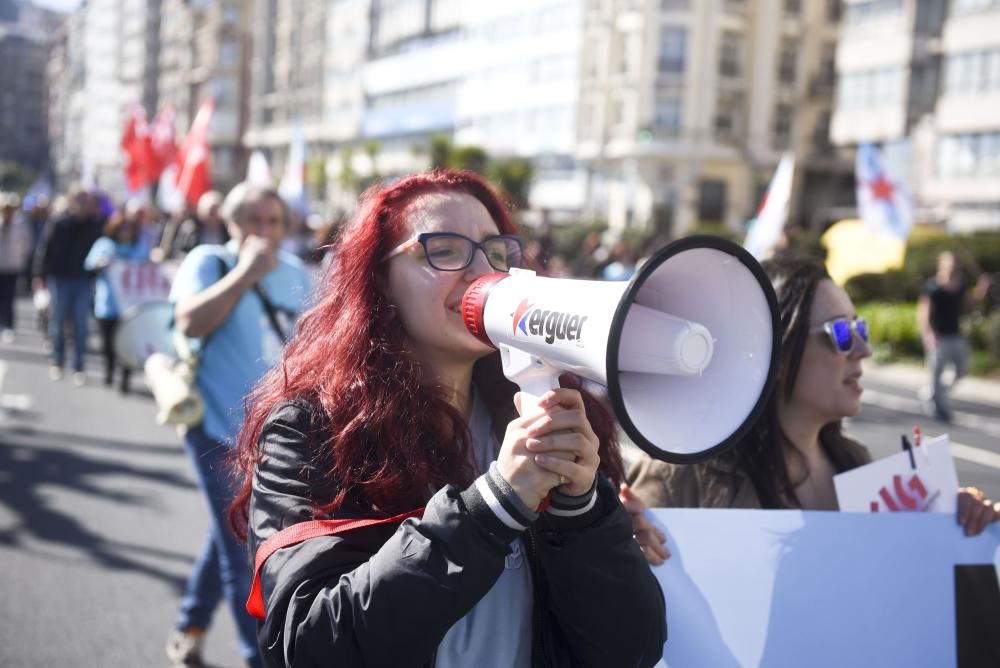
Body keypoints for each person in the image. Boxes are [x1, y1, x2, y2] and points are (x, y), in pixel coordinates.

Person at [226, 170, 667, 667]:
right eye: (445, 249)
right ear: (380, 281)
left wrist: (585, 517)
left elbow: (630, 649)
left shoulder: (536, 414)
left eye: (495, 252)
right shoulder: (314, 429)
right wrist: (495, 504)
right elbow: (305, 643)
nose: (481, 272)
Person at [628, 256, 998, 535]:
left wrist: (957, 517)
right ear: (774, 350)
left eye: (861, 328)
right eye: (840, 332)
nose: (862, 350)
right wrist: (619, 536)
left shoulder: (856, 463)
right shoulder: (681, 476)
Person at [165, 183, 311, 668]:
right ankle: (259, 657)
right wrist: (246, 272)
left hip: (275, 436)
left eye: (273, 222)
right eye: (252, 220)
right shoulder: (211, 261)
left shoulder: (297, 273)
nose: (264, 232)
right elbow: (189, 322)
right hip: (216, 427)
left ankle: (190, 624)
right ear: (231, 224)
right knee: (241, 551)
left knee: (227, 532)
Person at [32, 189, 104, 385]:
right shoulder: (59, 223)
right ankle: (57, 360)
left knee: (81, 325)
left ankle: (78, 365)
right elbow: (44, 249)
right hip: (60, 278)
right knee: (58, 321)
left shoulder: (94, 224)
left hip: (83, 280)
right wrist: (39, 274)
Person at [917, 251, 992, 422]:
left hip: (955, 335)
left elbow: (969, 304)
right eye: (948, 264)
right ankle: (939, 408)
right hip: (938, 336)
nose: (952, 268)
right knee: (937, 372)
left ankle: (933, 392)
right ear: (941, 266)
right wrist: (928, 333)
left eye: (954, 264)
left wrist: (981, 290)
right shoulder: (932, 287)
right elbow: (924, 312)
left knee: (962, 370)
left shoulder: (961, 285)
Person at [83, 209, 151, 392]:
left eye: (128, 227)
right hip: (108, 304)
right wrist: (101, 263)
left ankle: (125, 379)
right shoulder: (104, 245)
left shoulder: (140, 246)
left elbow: (147, 266)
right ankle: (109, 369)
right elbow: (89, 264)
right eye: (121, 227)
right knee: (108, 343)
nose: (125, 231)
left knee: (127, 342)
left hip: (131, 306)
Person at [0, 192, 32, 343]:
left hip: (12, 266)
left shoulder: (20, 223)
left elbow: (27, 244)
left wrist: (20, 258)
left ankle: (9, 326)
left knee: (9, 297)